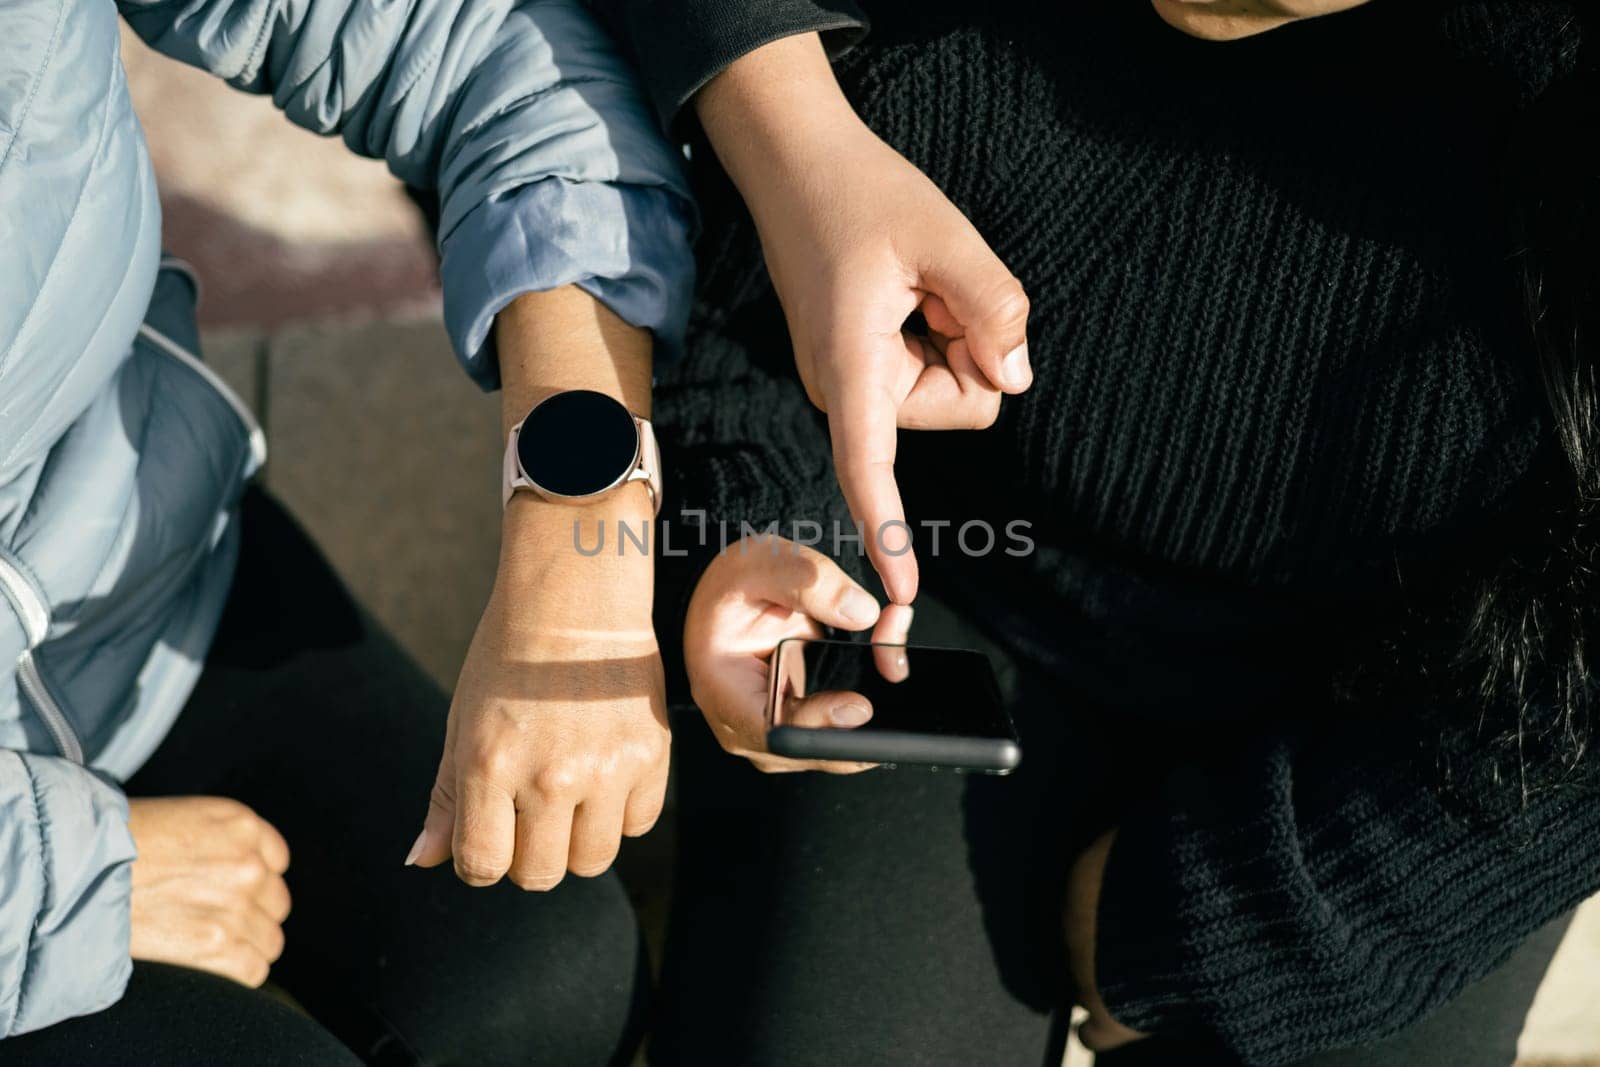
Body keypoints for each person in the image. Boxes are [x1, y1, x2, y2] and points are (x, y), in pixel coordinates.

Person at [591, 1, 1600, 1064]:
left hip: (1442, 728)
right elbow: (704, 281)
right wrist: (746, 528)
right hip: (944, 599)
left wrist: (1251, 923)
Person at [0, 0, 694, 1061]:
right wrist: (55, 884)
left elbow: (477, 42)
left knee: (547, 983)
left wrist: (579, 552)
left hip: (135, 575)